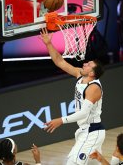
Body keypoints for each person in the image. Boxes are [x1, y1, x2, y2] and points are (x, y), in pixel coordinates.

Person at [40, 27, 106, 165]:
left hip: (92, 131)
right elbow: (60, 61)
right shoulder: (80, 74)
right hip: (84, 131)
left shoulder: (93, 88)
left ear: (92, 73)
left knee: (72, 162)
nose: (84, 63)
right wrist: (48, 44)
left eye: (88, 65)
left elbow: (83, 113)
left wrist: (61, 120)